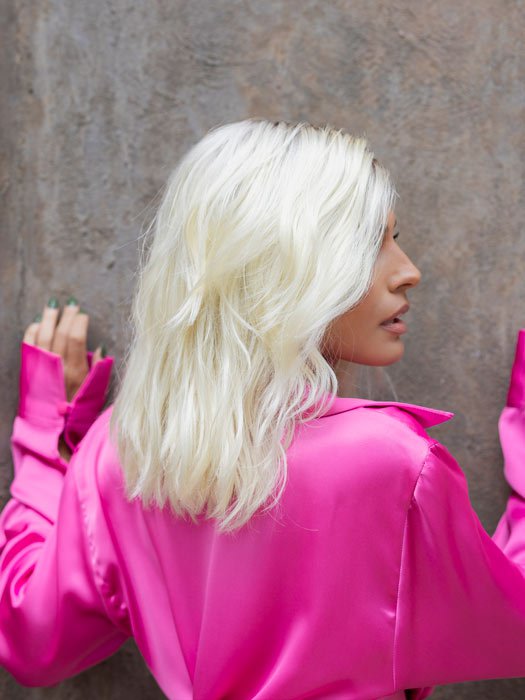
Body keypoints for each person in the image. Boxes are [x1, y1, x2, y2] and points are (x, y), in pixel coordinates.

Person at [1, 119, 525, 700]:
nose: (408, 271)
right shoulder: (394, 460)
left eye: (393, 238)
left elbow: (30, 643)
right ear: (281, 267)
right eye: (367, 244)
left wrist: (48, 431)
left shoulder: (121, 452)